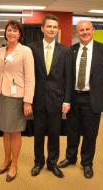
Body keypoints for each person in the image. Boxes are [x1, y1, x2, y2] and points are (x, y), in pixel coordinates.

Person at [58, 20, 103, 178]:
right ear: (77, 33)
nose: (84, 32)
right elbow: (68, 76)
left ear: (93, 30)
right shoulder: (71, 51)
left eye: (87, 29)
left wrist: (97, 86)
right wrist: (67, 99)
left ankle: (87, 163)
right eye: (81, 30)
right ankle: (70, 158)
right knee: (72, 131)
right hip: (74, 98)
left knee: (90, 133)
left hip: (92, 98)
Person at [28, 14, 72, 178]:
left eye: (54, 27)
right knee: (38, 134)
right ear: (42, 29)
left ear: (57, 30)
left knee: (54, 134)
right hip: (37, 99)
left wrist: (67, 99)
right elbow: (29, 76)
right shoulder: (32, 49)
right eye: (49, 26)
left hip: (57, 100)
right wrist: (28, 99)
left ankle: (52, 163)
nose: (52, 29)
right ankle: (38, 162)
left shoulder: (66, 51)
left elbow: (68, 77)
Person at [0, 20, 35, 182]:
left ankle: (14, 164)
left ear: (20, 34)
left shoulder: (25, 51)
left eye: (15, 31)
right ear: (5, 33)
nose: (11, 33)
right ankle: (6, 160)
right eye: (9, 30)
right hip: (2, 95)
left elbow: (30, 78)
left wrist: (28, 101)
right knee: (5, 130)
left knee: (15, 131)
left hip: (17, 96)